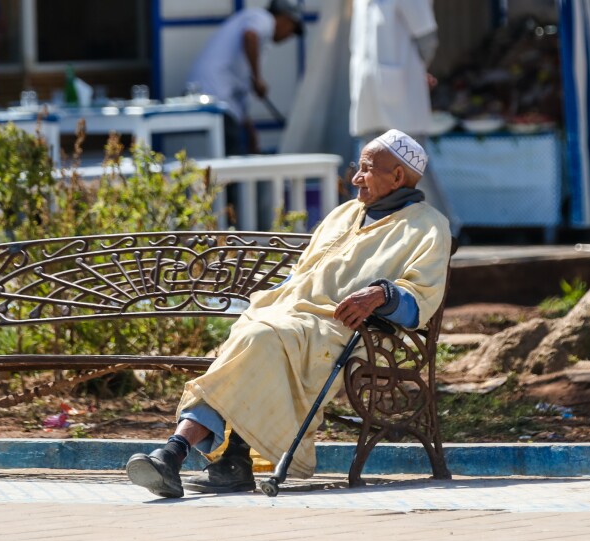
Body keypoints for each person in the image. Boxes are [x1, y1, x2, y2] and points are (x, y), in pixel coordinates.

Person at [126, 129, 452, 498]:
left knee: (259, 337)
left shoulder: (428, 225)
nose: (356, 177)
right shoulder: (345, 213)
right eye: (356, 167)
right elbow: (305, 273)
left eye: (367, 168)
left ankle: (179, 453)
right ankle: (214, 459)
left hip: (344, 329)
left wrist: (382, 294)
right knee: (254, 334)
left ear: (397, 176)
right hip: (289, 316)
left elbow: (421, 299)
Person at [348, 0, 460, 235]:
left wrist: (415, 71)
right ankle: (365, 230)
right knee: (366, 167)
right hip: (367, 92)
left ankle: (447, 229)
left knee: (414, 165)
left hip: (402, 93)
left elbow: (426, 39)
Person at [186, 0, 304, 155]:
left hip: (217, 97)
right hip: (213, 95)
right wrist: (258, 78)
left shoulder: (258, 28)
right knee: (231, 153)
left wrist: (250, 130)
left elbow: (239, 90)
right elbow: (249, 35)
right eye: (292, 29)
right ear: (285, 18)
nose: (289, 36)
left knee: (230, 149)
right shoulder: (262, 18)